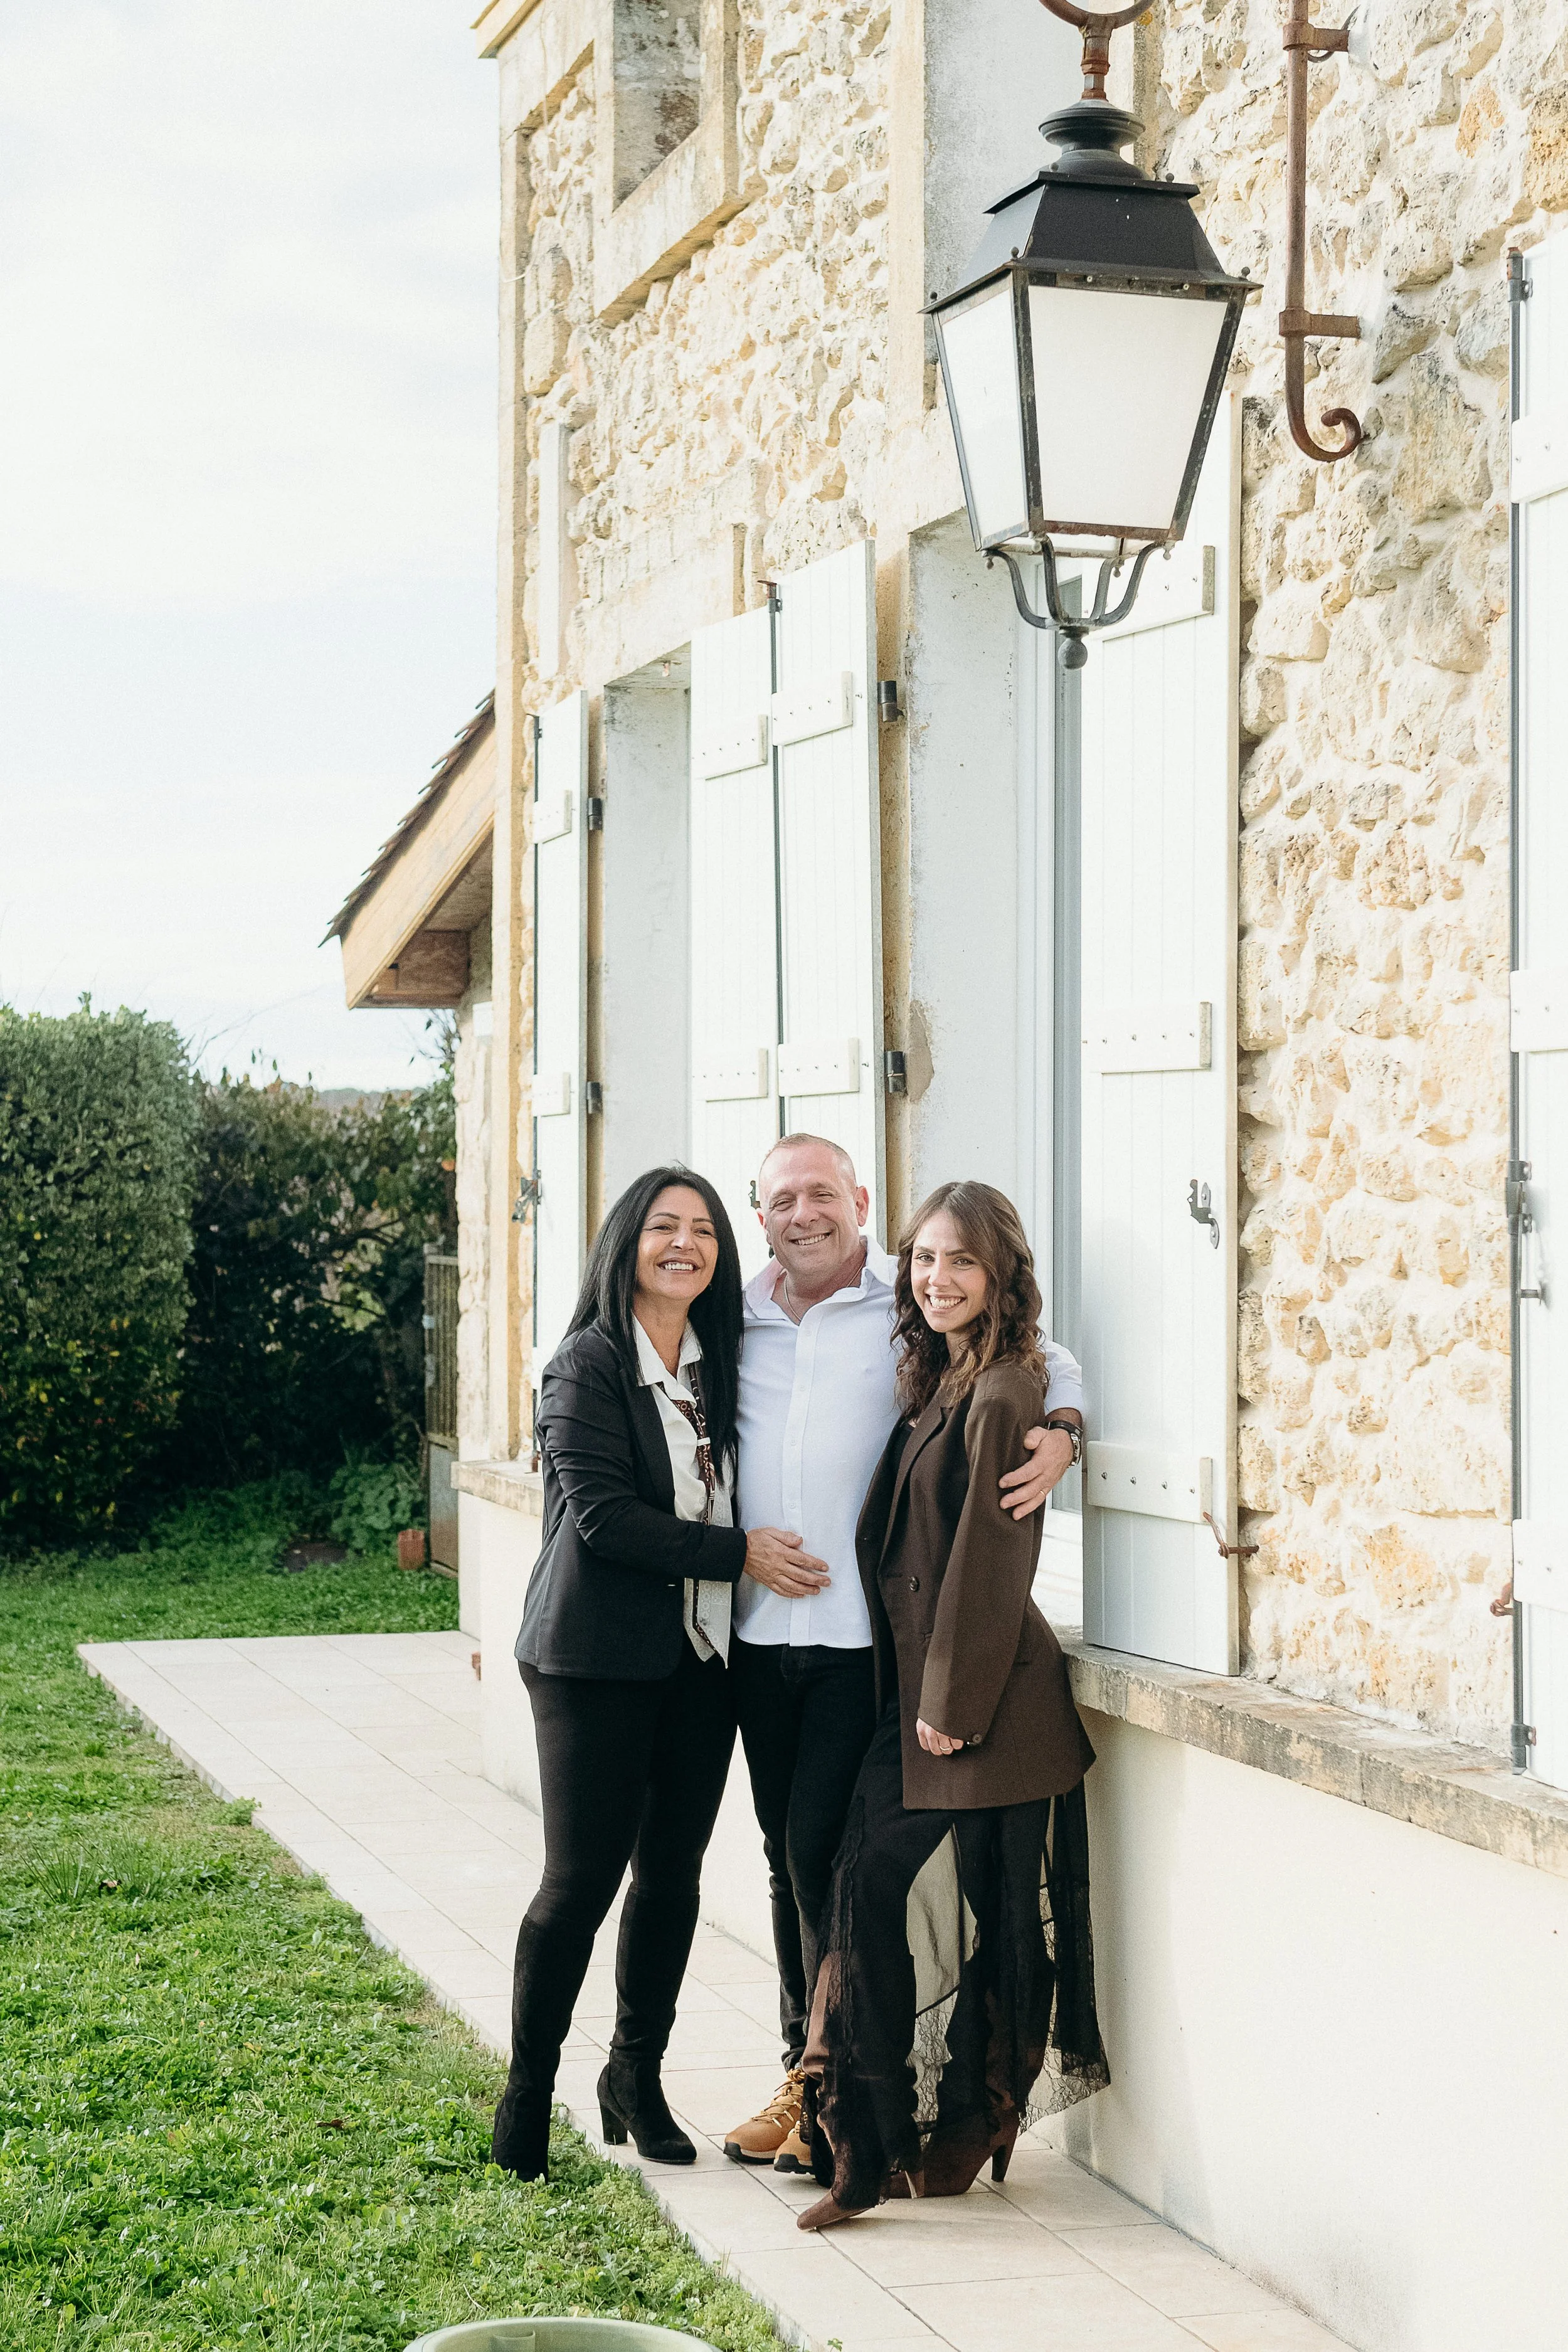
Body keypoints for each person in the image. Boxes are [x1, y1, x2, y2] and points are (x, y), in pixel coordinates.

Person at [723, 1137, 1085, 2171]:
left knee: (836, 1862)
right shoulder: (735, 1312)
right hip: (757, 1641)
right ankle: (809, 2077)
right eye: (782, 1198)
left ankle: (824, 2089)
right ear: (762, 1215)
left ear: (860, 1200)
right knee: (792, 1862)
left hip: (868, 1657)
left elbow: (1035, 1360)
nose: (804, 1212)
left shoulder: (908, 1299)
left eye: (823, 1193)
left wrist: (1068, 1421)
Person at [489, 1165, 828, 2183]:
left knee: (671, 1877)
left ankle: (634, 2072)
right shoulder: (586, 1365)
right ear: (626, 1240)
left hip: (701, 1661)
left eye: (705, 1231)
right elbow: (603, 1519)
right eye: (664, 1227)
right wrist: (744, 1555)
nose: (685, 1244)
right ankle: (527, 2088)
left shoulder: (722, 1358)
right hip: (592, 1658)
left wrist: (1061, 1411)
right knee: (581, 1880)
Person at [797, 1180, 1108, 2230]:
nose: (937, 1278)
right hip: (922, 1698)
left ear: (1003, 1275)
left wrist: (954, 1706)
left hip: (986, 1704)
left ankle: (972, 2119)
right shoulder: (942, 1370)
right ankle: (867, 2135)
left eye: (961, 1262)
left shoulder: (1010, 1388)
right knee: (864, 1887)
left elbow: (990, 1555)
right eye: (924, 1258)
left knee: (1006, 1919)